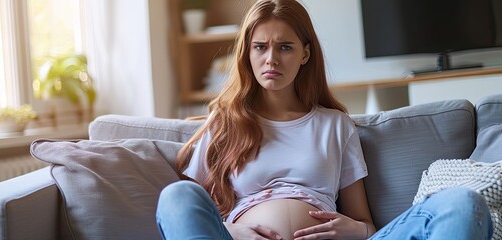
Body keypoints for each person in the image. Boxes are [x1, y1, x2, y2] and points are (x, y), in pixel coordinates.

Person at [156, 0, 493, 239]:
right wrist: (231, 229)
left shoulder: (335, 125)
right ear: (247, 53)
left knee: (462, 203)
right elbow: (196, 209)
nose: (271, 58)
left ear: (305, 53)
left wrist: (357, 230)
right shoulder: (224, 123)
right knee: (176, 197)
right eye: (260, 47)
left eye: (285, 47)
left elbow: (365, 224)